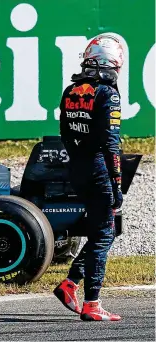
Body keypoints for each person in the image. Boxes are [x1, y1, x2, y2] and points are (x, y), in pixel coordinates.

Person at [54, 34, 124, 321]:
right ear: (112, 64)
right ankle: (92, 304)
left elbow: (64, 133)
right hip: (98, 172)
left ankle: (70, 284)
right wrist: (117, 184)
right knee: (104, 234)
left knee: (101, 233)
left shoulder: (70, 91)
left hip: (77, 168)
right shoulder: (108, 95)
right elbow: (111, 143)